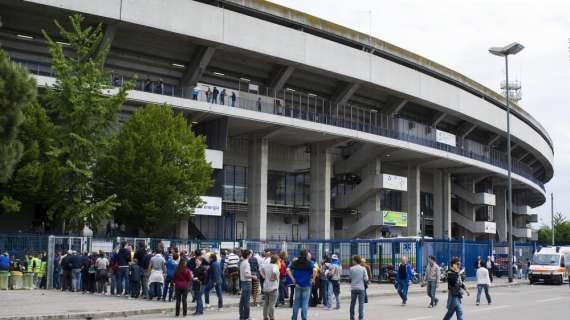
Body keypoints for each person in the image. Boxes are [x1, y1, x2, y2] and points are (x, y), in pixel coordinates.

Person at [288, 248, 316, 320]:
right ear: (306, 254)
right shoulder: (309, 263)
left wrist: (292, 279)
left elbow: (288, 269)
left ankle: (294, 318)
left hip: (297, 284)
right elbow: (315, 270)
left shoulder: (295, 262)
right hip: (306, 285)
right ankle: (304, 318)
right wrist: (313, 279)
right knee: (305, 303)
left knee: (296, 303)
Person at [260, 255, 280, 320]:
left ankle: (265, 317)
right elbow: (274, 271)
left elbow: (261, 268)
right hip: (273, 287)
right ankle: (272, 317)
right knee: (272, 304)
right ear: (276, 260)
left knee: (266, 303)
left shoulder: (266, 265)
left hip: (266, 286)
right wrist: (273, 277)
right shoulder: (275, 266)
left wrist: (264, 276)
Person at [349, 255, 368, 320]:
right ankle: (360, 318)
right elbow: (366, 279)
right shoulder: (363, 269)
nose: (352, 261)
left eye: (353, 260)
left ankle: (352, 317)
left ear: (355, 261)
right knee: (361, 304)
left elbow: (350, 278)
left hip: (353, 288)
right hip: (361, 288)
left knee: (352, 303)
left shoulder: (351, 269)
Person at [239, 250, 256, 320]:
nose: (251, 255)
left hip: (243, 282)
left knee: (243, 300)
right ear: (248, 255)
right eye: (251, 254)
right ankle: (247, 316)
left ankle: (242, 316)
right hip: (247, 283)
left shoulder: (242, 262)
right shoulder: (246, 263)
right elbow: (246, 275)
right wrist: (253, 276)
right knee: (246, 301)